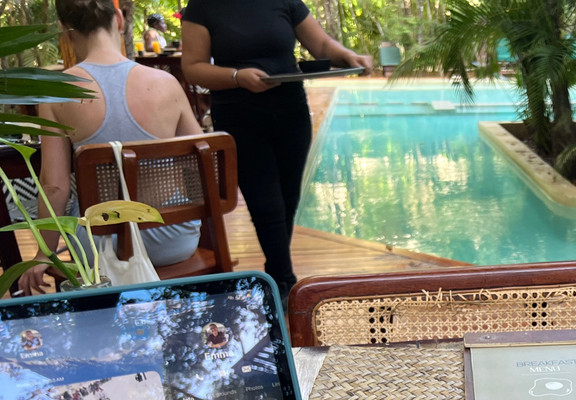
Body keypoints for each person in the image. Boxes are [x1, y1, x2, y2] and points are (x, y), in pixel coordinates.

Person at [180, 0, 372, 303]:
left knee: (287, 199)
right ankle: (284, 280)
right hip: (238, 115)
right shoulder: (203, 6)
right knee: (265, 204)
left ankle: (277, 273)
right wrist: (236, 76)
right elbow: (192, 68)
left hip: (290, 112)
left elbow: (321, 44)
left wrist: (348, 56)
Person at [18, 0, 203, 296]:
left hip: (99, 247)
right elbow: (203, 165)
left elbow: (55, 187)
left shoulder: (58, 93)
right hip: (174, 239)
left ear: (64, 29)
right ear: (118, 18)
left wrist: (44, 253)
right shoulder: (166, 83)